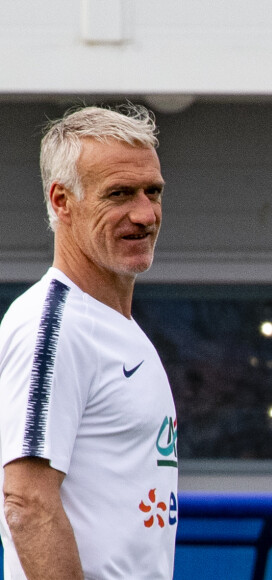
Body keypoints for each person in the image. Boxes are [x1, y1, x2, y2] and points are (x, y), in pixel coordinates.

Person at [0, 105, 178, 579]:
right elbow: (26, 502)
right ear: (62, 201)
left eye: (152, 192)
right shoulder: (53, 325)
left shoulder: (117, 328)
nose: (144, 214)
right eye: (119, 194)